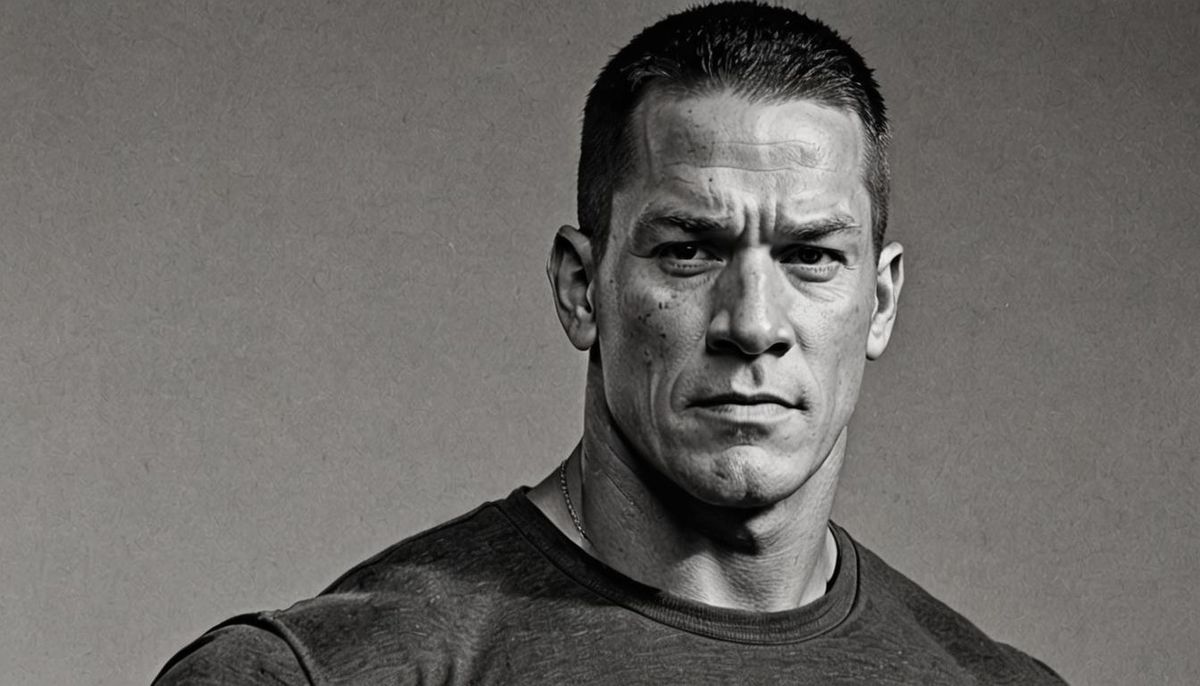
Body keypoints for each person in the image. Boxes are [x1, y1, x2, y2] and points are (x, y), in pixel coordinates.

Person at [155, 3, 1065, 683]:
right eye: (688, 250)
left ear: (881, 301)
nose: (752, 323)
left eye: (811, 256)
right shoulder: (318, 675)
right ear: (581, 288)